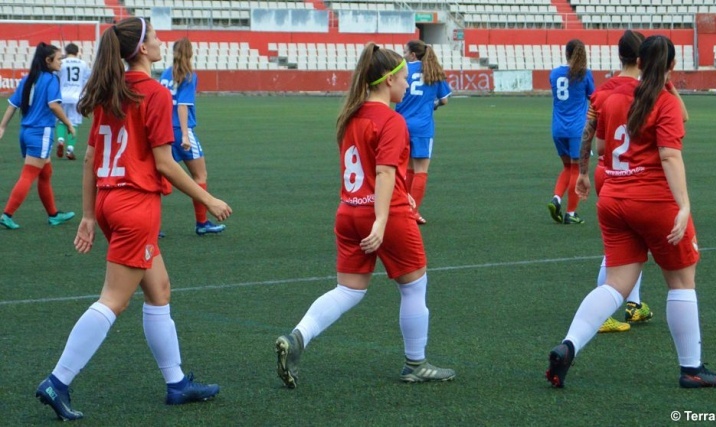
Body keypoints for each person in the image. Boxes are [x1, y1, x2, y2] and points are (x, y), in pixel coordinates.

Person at [34, 18, 232, 421]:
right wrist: (207, 197)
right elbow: (164, 163)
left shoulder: (112, 91)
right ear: (142, 48)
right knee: (113, 300)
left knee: (159, 289)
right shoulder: (153, 93)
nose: (161, 43)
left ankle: (176, 384)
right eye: (155, 38)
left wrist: (90, 215)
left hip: (110, 201)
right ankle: (57, 380)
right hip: (135, 206)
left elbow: (90, 159)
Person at [546, 35, 716, 389]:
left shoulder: (610, 95)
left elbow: (595, 140)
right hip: (654, 201)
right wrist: (684, 205)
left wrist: (583, 173)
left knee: (616, 283)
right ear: (671, 67)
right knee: (681, 281)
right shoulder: (665, 101)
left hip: (613, 197)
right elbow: (670, 155)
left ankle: (569, 345)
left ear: (638, 63)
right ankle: (691, 368)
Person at [274, 42, 455, 389]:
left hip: (348, 212)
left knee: (349, 291)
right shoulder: (392, 120)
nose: (407, 84)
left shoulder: (351, 116)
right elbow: (385, 173)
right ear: (388, 81)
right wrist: (383, 220)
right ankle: (416, 363)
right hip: (383, 215)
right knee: (415, 287)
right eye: (403, 78)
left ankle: (298, 337)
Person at [578, 30, 650, 333]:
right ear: (640, 58)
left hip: (604, 171)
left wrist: (582, 171)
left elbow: (590, 136)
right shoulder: (647, 92)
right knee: (623, 244)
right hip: (632, 174)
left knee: (628, 243)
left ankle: (633, 304)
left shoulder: (603, 91)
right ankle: (606, 310)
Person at [0, 42, 76, 230]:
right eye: (58, 59)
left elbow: (12, 105)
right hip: (41, 132)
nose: (61, 63)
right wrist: (68, 124)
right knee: (29, 174)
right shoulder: (51, 79)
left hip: (25, 132)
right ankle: (7, 214)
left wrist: (2, 127)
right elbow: (54, 105)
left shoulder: (28, 79)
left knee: (46, 172)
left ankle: (53, 215)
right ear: (48, 60)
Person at [159, 37, 225, 236]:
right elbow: (182, 106)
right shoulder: (188, 75)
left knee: (157, 179)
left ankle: (153, 227)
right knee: (200, 175)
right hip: (180, 130)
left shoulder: (164, 73)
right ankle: (202, 223)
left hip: (163, 130)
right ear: (190, 53)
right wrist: (186, 135)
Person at [395, 39, 451, 225]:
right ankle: (413, 211)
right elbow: (444, 100)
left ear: (412, 54)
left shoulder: (402, 71)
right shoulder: (434, 72)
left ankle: (402, 207)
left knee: (407, 168)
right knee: (421, 171)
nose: (403, 53)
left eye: (405, 50)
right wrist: (431, 104)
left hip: (401, 125)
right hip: (422, 126)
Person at [546, 39, 594, 225]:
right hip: (577, 130)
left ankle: (556, 199)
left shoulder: (554, 73)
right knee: (576, 170)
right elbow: (594, 98)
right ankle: (571, 213)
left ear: (566, 53)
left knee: (567, 167)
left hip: (557, 128)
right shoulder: (585, 74)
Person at [56, 43, 91, 160]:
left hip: (62, 96)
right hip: (77, 97)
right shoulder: (83, 64)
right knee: (74, 123)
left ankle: (60, 140)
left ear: (66, 52)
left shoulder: (62, 63)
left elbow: (56, 76)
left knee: (61, 121)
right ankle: (70, 149)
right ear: (77, 52)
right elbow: (88, 79)